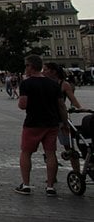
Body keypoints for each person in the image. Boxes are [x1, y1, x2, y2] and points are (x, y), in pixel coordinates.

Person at [14, 55, 68, 196]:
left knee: (26, 153)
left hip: (33, 123)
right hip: (51, 123)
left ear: (31, 67)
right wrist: (65, 123)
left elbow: (23, 105)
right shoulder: (53, 84)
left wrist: (21, 101)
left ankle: (26, 185)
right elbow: (61, 106)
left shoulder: (26, 84)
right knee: (51, 153)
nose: (25, 68)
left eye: (26, 66)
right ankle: (50, 187)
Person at [44, 63, 84, 174]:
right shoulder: (44, 83)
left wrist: (80, 108)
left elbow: (73, 100)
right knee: (49, 150)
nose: (43, 71)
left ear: (54, 72)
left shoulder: (64, 84)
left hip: (61, 119)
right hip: (47, 120)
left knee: (69, 148)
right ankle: (52, 177)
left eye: (46, 69)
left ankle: (76, 173)